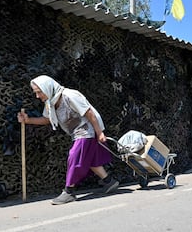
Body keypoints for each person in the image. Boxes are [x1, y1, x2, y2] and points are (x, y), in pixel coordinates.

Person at [17, 75, 119, 205]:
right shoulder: (50, 102)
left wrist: (99, 133)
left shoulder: (69, 95)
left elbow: (89, 113)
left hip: (87, 129)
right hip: (76, 133)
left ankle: (69, 191)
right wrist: (27, 120)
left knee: (74, 156)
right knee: (89, 159)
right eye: (36, 93)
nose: (37, 96)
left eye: (39, 92)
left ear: (47, 88)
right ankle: (109, 181)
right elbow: (47, 119)